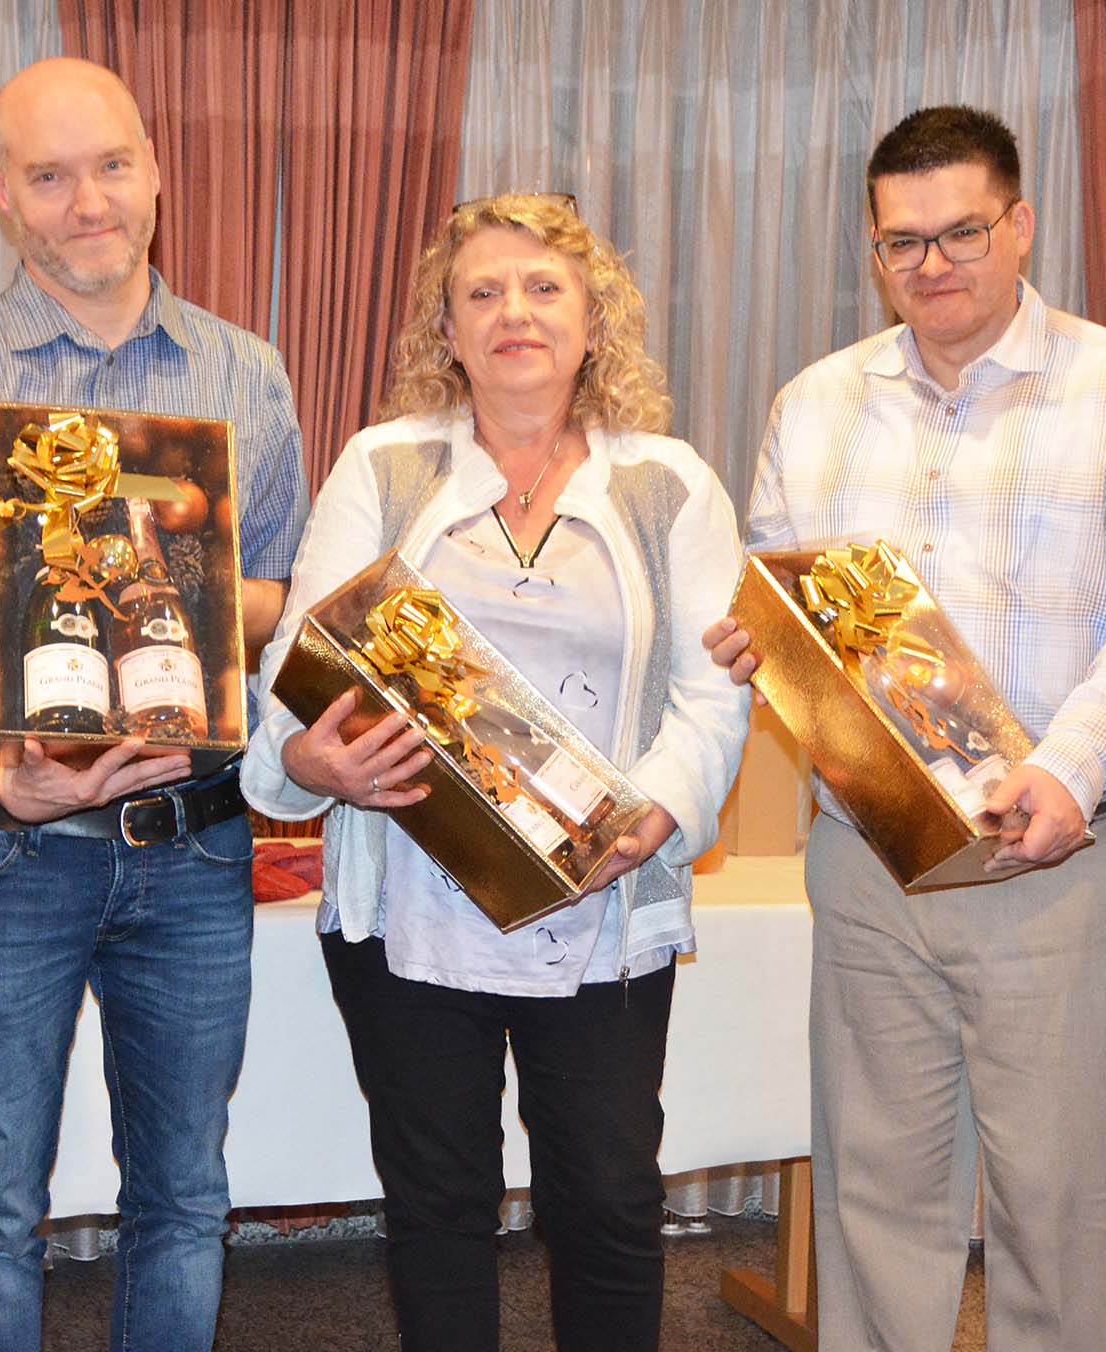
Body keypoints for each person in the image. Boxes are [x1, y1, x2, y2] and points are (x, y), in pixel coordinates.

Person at [705, 105, 1106, 1349]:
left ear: (1019, 224)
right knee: (873, 1200)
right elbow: (786, 602)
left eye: (960, 233)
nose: (930, 264)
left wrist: (1063, 768)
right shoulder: (815, 403)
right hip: (867, 862)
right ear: (872, 248)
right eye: (901, 242)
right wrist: (755, 646)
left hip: (1061, 861)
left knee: (1058, 1211)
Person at [242, 193, 748, 1352]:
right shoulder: (381, 467)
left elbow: (711, 690)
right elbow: (297, 669)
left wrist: (655, 810)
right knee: (437, 1204)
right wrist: (308, 762)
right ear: (447, 329)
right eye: (482, 291)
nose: (513, 311)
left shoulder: (669, 482)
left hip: (603, 900)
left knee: (608, 1202)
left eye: (542, 287)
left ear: (592, 320)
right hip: (408, 910)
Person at [0, 57, 307, 1351]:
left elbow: (282, 590)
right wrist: (4, 771)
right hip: (7, 846)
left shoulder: (246, 371)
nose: (88, 201)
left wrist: (175, 584)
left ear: (154, 170)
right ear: (3, 194)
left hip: (195, 842)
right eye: (50, 176)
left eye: (111, 165)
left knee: (184, 1196)